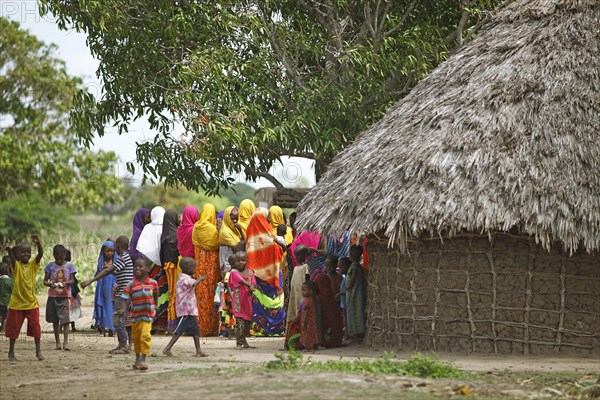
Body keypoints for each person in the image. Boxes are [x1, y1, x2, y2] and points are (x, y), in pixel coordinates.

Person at [81, 236, 134, 353]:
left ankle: (124, 345)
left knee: (118, 320)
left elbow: (108, 270)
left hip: (123, 295)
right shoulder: (125, 257)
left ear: (118, 246)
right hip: (123, 294)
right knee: (119, 320)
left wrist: (91, 280)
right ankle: (122, 345)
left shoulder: (123, 258)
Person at [246, 210, 286, 336]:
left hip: (257, 276)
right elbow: (280, 251)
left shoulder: (250, 235)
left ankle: (260, 329)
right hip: (272, 275)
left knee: (259, 301)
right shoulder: (270, 236)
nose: (269, 218)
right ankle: (276, 329)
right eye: (267, 216)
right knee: (274, 301)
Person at [4, 236, 44, 361]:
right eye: (23, 252)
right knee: (13, 330)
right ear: (18, 254)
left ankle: (38, 351)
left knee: (36, 328)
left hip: (31, 303)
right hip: (17, 304)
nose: (26, 254)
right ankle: (11, 352)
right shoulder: (16, 267)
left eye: (28, 252)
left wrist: (38, 244)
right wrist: (10, 252)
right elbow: (12, 259)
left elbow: (40, 255)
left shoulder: (33, 265)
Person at [115, 257, 158, 371]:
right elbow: (124, 298)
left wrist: (155, 306)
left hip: (147, 316)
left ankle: (143, 359)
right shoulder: (131, 284)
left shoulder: (153, 283)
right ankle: (137, 358)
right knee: (137, 338)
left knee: (145, 335)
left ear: (147, 269)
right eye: (136, 266)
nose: (137, 268)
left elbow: (156, 294)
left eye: (140, 266)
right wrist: (123, 309)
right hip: (135, 317)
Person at [163, 257, 208, 357]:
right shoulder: (185, 279)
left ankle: (198, 351)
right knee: (179, 331)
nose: (195, 269)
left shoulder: (184, 277)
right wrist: (201, 278)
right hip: (186, 311)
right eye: (193, 267)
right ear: (188, 268)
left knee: (196, 331)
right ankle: (167, 348)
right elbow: (194, 284)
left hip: (190, 311)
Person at [192, 203, 221, 336]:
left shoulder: (196, 227)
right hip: (211, 267)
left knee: (201, 294)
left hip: (200, 266)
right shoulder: (211, 229)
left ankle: (200, 327)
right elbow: (217, 244)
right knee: (211, 294)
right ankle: (211, 327)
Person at [43, 245, 76, 351]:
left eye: (61, 258)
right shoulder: (50, 266)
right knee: (55, 320)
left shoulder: (70, 266)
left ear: (65, 256)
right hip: (53, 296)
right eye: (57, 258)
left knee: (66, 321)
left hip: (65, 296)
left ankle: (65, 342)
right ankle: (57, 342)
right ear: (53, 256)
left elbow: (72, 280)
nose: (59, 260)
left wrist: (66, 283)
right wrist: (50, 284)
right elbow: (45, 281)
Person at [229, 251, 256, 349]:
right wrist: (250, 285)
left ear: (246, 261)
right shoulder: (233, 273)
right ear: (235, 262)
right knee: (240, 323)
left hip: (248, 301)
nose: (240, 262)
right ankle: (238, 343)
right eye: (238, 260)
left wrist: (253, 287)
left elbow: (254, 282)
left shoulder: (250, 272)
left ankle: (244, 340)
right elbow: (240, 280)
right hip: (238, 301)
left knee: (247, 323)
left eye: (243, 260)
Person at [314, 255, 343, 348]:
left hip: (336, 304)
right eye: (326, 265)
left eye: (331, 265)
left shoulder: (339, 278)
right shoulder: (323, 278)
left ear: (336, 265)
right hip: (329, 304)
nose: (328, 268)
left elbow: (340, 291)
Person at [286, 277, 321, 352]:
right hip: (313, 322)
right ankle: (314, 346)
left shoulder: (307, 302)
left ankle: (308, 347)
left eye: (304, 290)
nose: (302, 292)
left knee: (307, 334)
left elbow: (304, 313)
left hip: (307, 322)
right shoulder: (314, 300)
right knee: (313, 334)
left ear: (311, 291)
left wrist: (303, 322)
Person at [92, 241, 118, 336]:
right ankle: (102, 328)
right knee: (102, 306)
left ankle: (112, 329)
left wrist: (110, 269)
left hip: (112, 288)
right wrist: (103, 269)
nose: (109, 253)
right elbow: (96, 275)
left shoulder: (116, 261)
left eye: (111, 251)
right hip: (102, 287)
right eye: (107, 251)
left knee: (111, 306)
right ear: (103, 251)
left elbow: (119, 273)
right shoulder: (101, 261)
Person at [160, 208, 180, 333]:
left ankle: (172, 322)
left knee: (171, 294)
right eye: (177, 217)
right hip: (174, 267)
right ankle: (173, 324)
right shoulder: (176, 234)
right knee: (174, 295)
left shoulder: (164, 234)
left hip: (167, 266)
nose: (179, 219)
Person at [346, 245, 366, 344]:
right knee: (358, 312)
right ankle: (358, 334)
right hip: (358, 293)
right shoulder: (359, 267)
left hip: (353, 294)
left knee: (353, 313)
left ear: (351, 255)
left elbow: (353, 278)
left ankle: (355, 335)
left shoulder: (353, 266)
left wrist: (349, 285)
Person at [287, 245, 309, 324]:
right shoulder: (295, 268)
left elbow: (307, 280)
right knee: (294, 311)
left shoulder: (305, 267)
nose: (296, 257)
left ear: (304, 256)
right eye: (295, 255)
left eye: (298, 255)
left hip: (302, 295)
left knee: (301, 312)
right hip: (294, 295)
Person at [219, 206, 244, 274]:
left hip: (235, 265)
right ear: (227, 217)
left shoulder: (235, 230)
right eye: (232, 219)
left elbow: (244, 243)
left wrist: (240, 231)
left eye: (236, 218)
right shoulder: (225, 232)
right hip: (228, 266)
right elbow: (237, 250)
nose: (235, 221)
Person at [65, 249, 82, 332]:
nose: (70, 257)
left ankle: (72, 327)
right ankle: (66, 327)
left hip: (72, 292)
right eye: (68, 255)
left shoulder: (69, 266)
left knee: (72, 311)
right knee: (68, 311)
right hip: (68, 292)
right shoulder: (67, 266)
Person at [337, 257, 351, 341]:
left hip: (347, 300)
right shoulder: (344, 278)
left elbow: (348, 290)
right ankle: (346, 334)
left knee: (347, 318)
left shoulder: (347, 279)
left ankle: (348, 335)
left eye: (341, 267)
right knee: (345, 318)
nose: (339, 269)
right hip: (344, 301)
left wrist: (340, 294)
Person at [0, 262, 13, 332]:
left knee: (1, 316)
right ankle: (4, 329)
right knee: (6, 317)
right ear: (8, 271)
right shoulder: (9, 281)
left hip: (0, 303)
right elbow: (13, 291)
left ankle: (1, 327)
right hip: (7, 303)